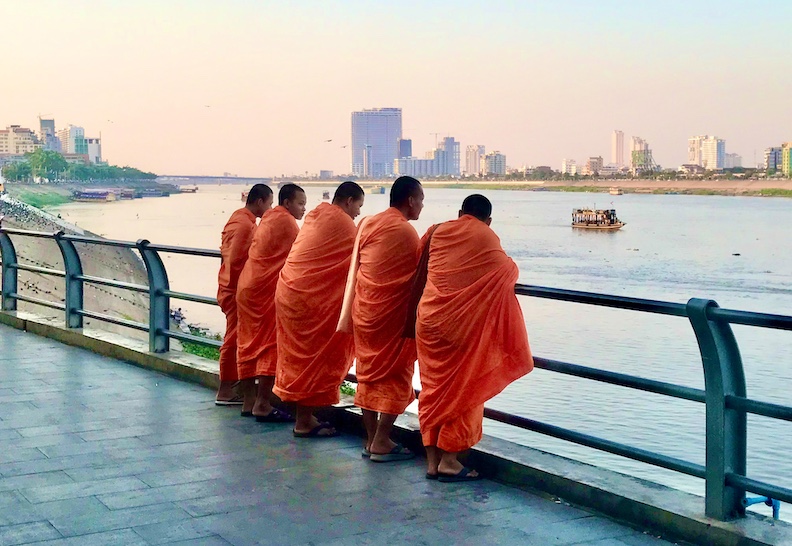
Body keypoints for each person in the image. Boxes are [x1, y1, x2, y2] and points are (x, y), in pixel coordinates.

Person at [416, 194, 534, 481]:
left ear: (459, 213)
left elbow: (421, 265)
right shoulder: (486, 235)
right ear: (488, 220)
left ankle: (432, 463)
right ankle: (451, 460)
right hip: (460, 328)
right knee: (465, 389)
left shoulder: (437, 230)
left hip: (429, 321)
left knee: (433, 390)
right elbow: (506, 271)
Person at [273, 181, 364, 437]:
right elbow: (362, 259)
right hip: (310, 302)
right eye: (358, 205)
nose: (357, 212)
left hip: (291, 292)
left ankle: (304, 417)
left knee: (301, 358)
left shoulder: (316, 215)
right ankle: (303, 422)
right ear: (348, 201)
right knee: (315, 358)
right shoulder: (344, 224)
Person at [345, 176, 423, 462]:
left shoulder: (370, 223)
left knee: (367, 372)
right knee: (395, 373)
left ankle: (370, 439)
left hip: (365, 311)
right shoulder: (405, 232)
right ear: (411, 200)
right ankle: (381, 440)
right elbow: (417, 278)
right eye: (421, 200)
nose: (422, 206)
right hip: (390, 316)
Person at [236, 184, 306, 420]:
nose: (303, 209)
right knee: (268, 345)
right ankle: (263, 404)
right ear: (287, 203)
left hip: (247, 285)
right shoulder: (287, 221)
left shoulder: (268, 217)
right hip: (264, 291)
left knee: (247, 343)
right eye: (300, 203)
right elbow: (304, 252)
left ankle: (248, 401)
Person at [215, 184, 273, 405]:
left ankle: (232, 386)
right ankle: (225, 390)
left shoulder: (237, 219)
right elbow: (238, 260)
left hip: (226, 285)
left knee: (235, 336)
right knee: (234, 338)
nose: (270, 208)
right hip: (235, 288)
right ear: (259, 202)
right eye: (269, 203)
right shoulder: (246, 226)